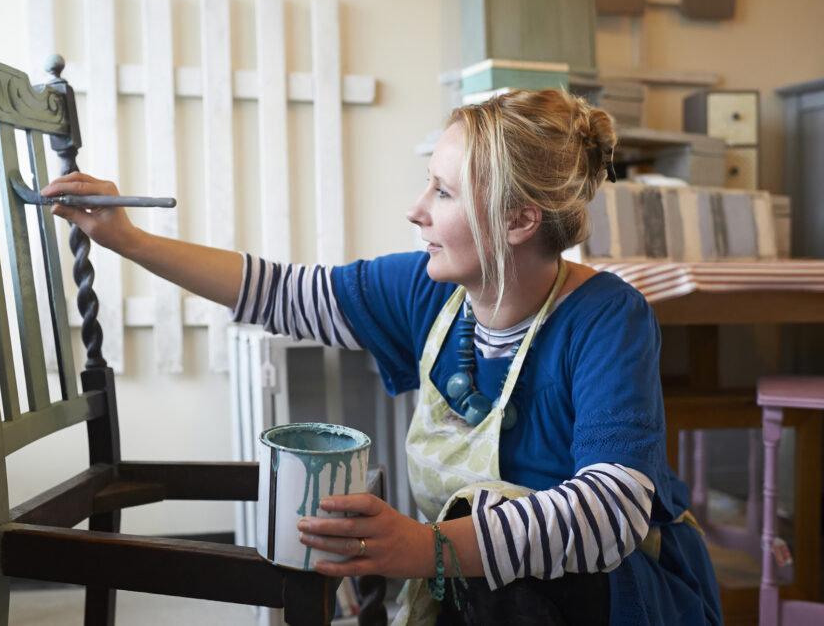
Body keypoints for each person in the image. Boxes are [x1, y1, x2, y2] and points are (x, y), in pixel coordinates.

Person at [42, 88, 723, 626]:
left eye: (444, 192)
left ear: (519, 221)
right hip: (480, 590)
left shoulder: (608, 317)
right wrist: (127, 239)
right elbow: (279, 292)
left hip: (611, 600)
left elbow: (607, 514)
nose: (416, 209)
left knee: (465, 574)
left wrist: (424, 549)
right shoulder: (430, 293)